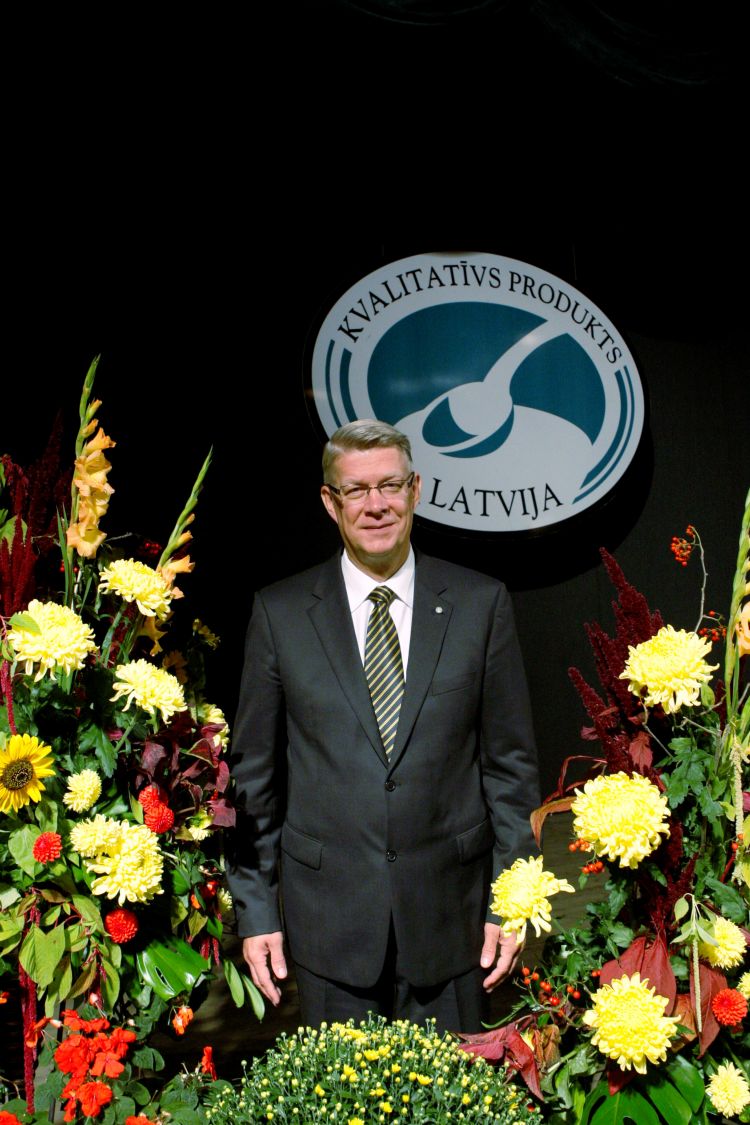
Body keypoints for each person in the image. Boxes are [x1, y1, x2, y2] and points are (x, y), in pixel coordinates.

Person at [226, 419, 541, 1032]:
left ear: (416, 489)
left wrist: (514, 898)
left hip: (454, 927)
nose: (376, 506)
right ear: (330, 502)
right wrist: (257, 910)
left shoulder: (481, 604)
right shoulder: (280, 614)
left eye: (390, 486)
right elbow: (253, 779)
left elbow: (511, 772)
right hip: (329, 933)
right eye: (356, 490)